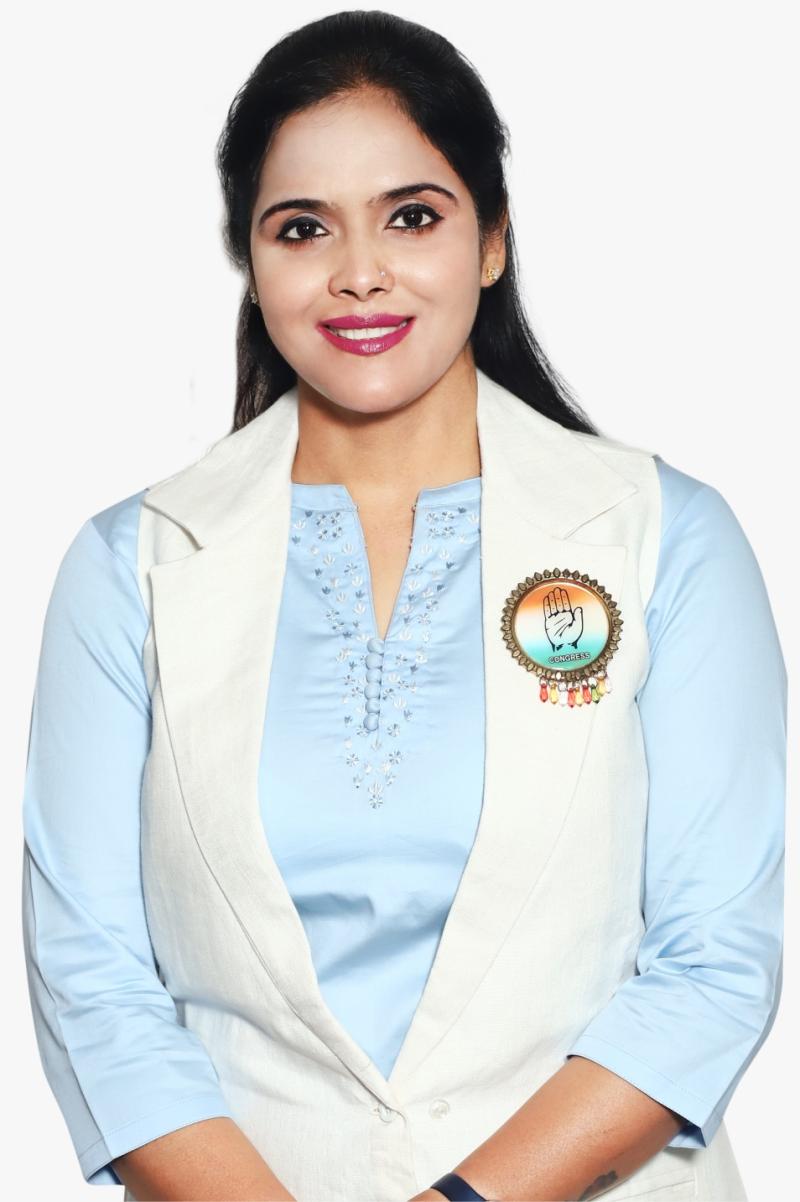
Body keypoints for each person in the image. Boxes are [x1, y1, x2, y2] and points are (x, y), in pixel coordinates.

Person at [21, 11, 786, 1202]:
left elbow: (712, 963)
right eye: (301, 228)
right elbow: (92, 979)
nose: (359, 271)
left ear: (490, 241)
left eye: (412, 216)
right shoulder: (134, 564)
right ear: (248, 258)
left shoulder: (660, 537)